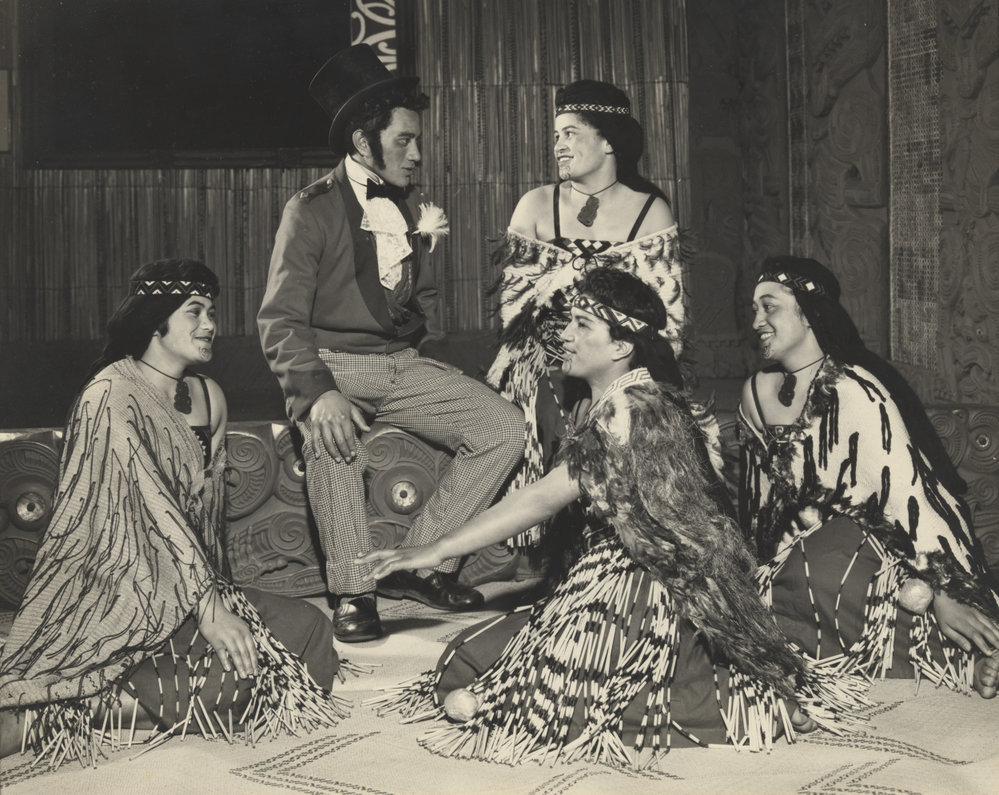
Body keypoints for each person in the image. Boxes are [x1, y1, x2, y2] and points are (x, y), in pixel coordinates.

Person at [362, 268, 864, 768]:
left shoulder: (628, 411)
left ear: (622, 345)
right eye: (569, 322)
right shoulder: (624, 400)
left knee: (506, 681)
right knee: (475, 659)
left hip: (645, 587)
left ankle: (745, 700)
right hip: (635, 577)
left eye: (582, 325)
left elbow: (539, 499)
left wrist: (435, 549)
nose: (565, 334)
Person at [0, 259, 342, 766]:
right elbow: (154, 508)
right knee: (246, 670)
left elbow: (207, 520)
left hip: (187, 583)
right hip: (117, 589)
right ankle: (71, 711)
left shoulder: (208, 397)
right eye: (194, 311)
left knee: (309, 632)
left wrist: (222, 600)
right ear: (154, 320)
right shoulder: (110, 394)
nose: (210, 325)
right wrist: (211, 613)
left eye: (212, 313)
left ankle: (134, 695)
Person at [257, 45, 525, 643]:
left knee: (504, 427)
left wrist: (434, 369)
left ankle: (420, 566)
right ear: (362, 143)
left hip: (399, 366)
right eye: (404, 141)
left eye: (417, 141)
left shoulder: (407, 207)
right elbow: (279, 320)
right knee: (331, 433)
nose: (417, 154)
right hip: (330, 365)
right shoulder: (310, 210)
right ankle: (354, 592)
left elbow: (416, 310)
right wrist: (317, 393)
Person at [739, 255, 999, 700]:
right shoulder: (754, 392)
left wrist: (943, 589)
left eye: (770, 307)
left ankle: (964, 660)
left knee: (829, 569)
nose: (756, 321)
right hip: (792, 562)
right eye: (754, 310)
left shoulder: (854, 389)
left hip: (871, 549)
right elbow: (759, 506)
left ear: (808, 312)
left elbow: (905, 495)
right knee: (777, 599)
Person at [486, 79, 685, 550]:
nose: (558, 145)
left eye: (571, 133)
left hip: (621, 365)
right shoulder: (536, 205)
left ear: (608, 141)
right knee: (545, 409)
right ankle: (539, 542)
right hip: (542, 363)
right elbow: (513, 313)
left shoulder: (650, 212)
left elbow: (667, 322)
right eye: (556, 135)